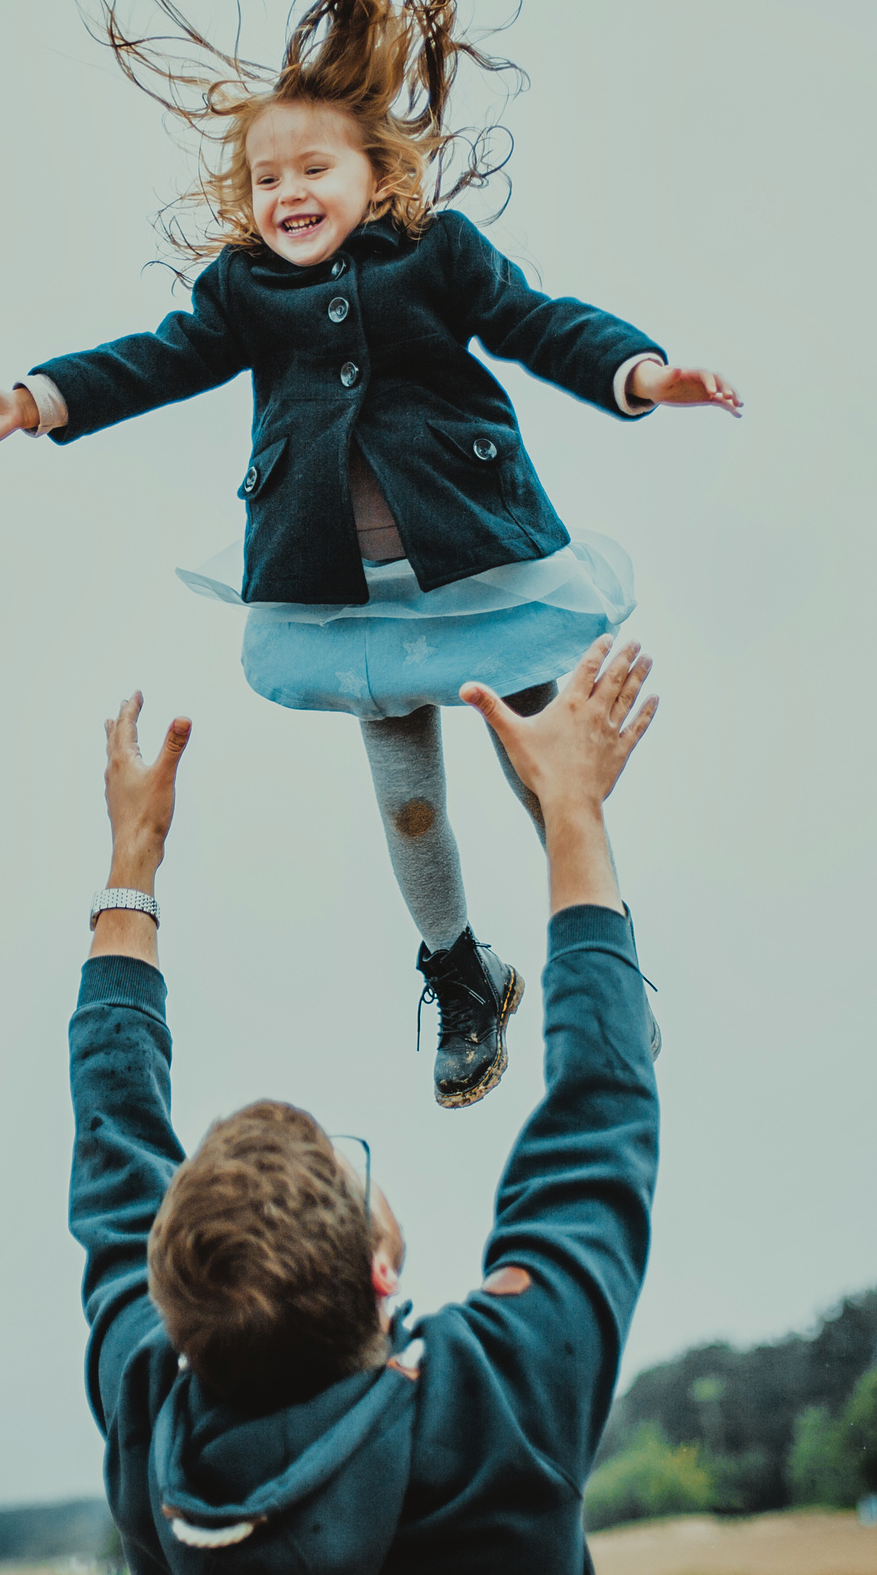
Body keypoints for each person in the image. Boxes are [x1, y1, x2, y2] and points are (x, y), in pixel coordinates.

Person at [0, 0, 738, 1108]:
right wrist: (35, 400)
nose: (285, 193)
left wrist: (638, 370)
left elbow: (537, 322)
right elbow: (152, 359)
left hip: (482, 559)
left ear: (375, 174)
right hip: (340, 591)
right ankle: (462, 973)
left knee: (540, 764)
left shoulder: (439, 256)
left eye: (313, 167)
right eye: (265, 180)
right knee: (406, 800)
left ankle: (603, 959)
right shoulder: (245, 293)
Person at [69, 636, 663, 1572]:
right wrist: (573, 804)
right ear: (381, 1277)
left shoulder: (162, 1469)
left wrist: (130, 855)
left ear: (170, 1309)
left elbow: (113, 1140)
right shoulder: (497, 1407)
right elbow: (601, 1117)